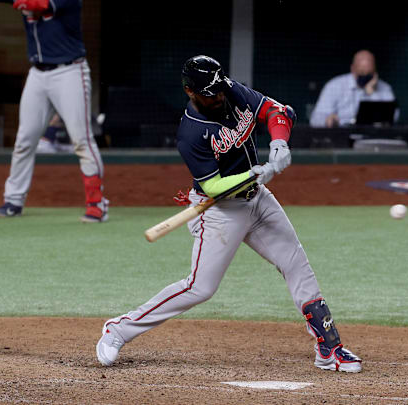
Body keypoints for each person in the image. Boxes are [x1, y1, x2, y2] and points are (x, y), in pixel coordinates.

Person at [96, 55, 362, 373]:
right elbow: (214, 188)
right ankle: (118, 330)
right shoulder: (191, 133)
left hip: (258, 199)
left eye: (220, 88)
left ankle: (329, 348)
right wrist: (254, 174)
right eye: (210, 92)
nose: (219, 96)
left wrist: (279, 143)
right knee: (200, 287)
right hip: (220, 212)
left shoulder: (231, 91)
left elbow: (278, 111)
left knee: (296, 263)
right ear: (189, 92)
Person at [0, 0, 108, 222]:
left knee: (81, 140)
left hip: (69, 71)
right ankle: (13, 201)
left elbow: (38, 4)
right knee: (24, 139)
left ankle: (96, 204)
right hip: (37, 73)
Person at [309, 50, 396, 128]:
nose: (365, 76)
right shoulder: (335, 85)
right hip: (341, 136)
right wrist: (328, 120)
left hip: (372, 137)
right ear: (352, 69)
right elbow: (315, 119)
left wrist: (373, 93)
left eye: (369, 73)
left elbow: (394, 117)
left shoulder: (385, 88)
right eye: (361, 72)